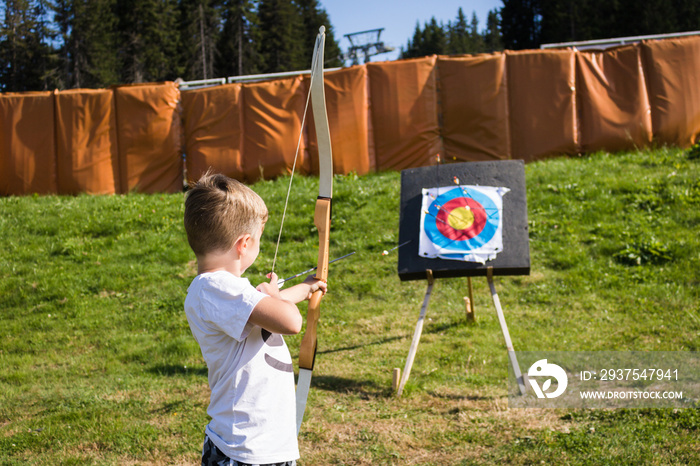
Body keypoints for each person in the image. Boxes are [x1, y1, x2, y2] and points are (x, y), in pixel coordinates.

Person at [183, 172, 326, 466]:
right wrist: (274, 295)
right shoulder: (216, 288)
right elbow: (289, 321)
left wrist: (308, 286)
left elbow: (264, 310)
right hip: (245, 449)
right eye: (259, 238)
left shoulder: (222, 291)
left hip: (260, 443)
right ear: (244, 243)